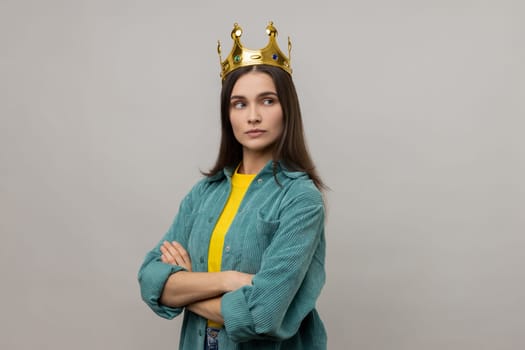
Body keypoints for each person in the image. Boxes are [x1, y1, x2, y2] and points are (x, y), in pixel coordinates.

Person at [138, 21, 327, 349]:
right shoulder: (205, 193)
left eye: (267, 101)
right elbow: (149, 280)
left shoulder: (300, 199)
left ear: (287, 109)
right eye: (239, 103)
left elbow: (261, 316)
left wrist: (185, 289)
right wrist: (228, 281)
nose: (253, 116)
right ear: (228, 115)